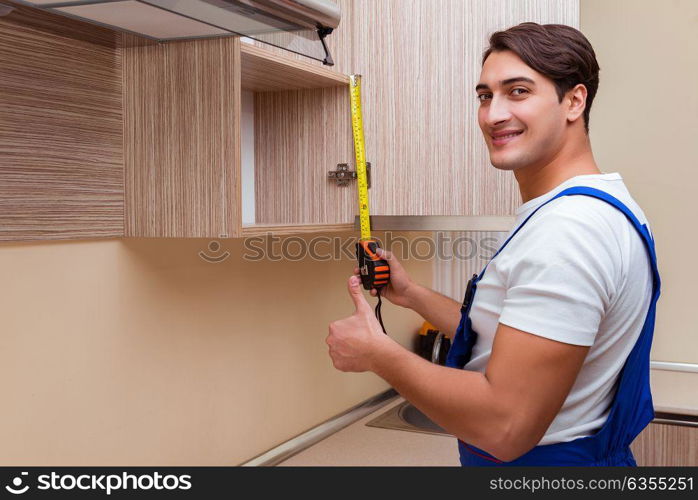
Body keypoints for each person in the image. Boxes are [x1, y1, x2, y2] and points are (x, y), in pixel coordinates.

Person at [326, 22, 661, 466]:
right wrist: (411, 295)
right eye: (485, 96)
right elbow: (513, 336)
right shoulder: (599, 206)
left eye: (518, 91)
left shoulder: (569, 230)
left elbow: (505, 427)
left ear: (574, 101)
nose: (493, 114)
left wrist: (378, 354)